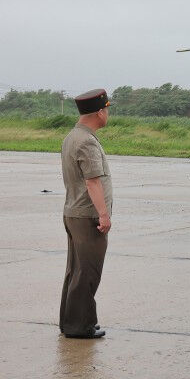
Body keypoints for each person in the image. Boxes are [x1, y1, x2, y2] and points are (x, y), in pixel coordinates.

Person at [59, 88, 113, 340]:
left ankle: (71, 323)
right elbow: (93, 182)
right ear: (99, 112)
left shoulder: (72, 136)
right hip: (87, 216)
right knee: (87, 273)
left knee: (76, 271)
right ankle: (80, 327)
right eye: (107, 109)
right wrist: (103, 215)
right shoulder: (87, 141)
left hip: (73, 213)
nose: (108, 114)